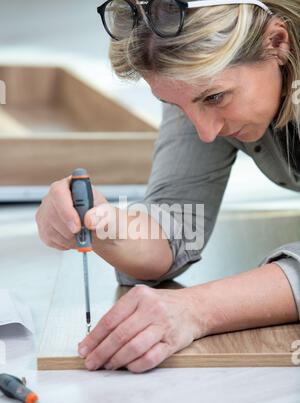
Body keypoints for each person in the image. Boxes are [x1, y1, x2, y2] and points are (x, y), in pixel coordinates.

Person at [36, 0, 300, 373]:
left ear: (277, 41)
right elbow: (175, 226)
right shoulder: (195, 85)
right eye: (175, 104)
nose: (205, 132)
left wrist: (198, 309)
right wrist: (104, 225)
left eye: (215, 98)